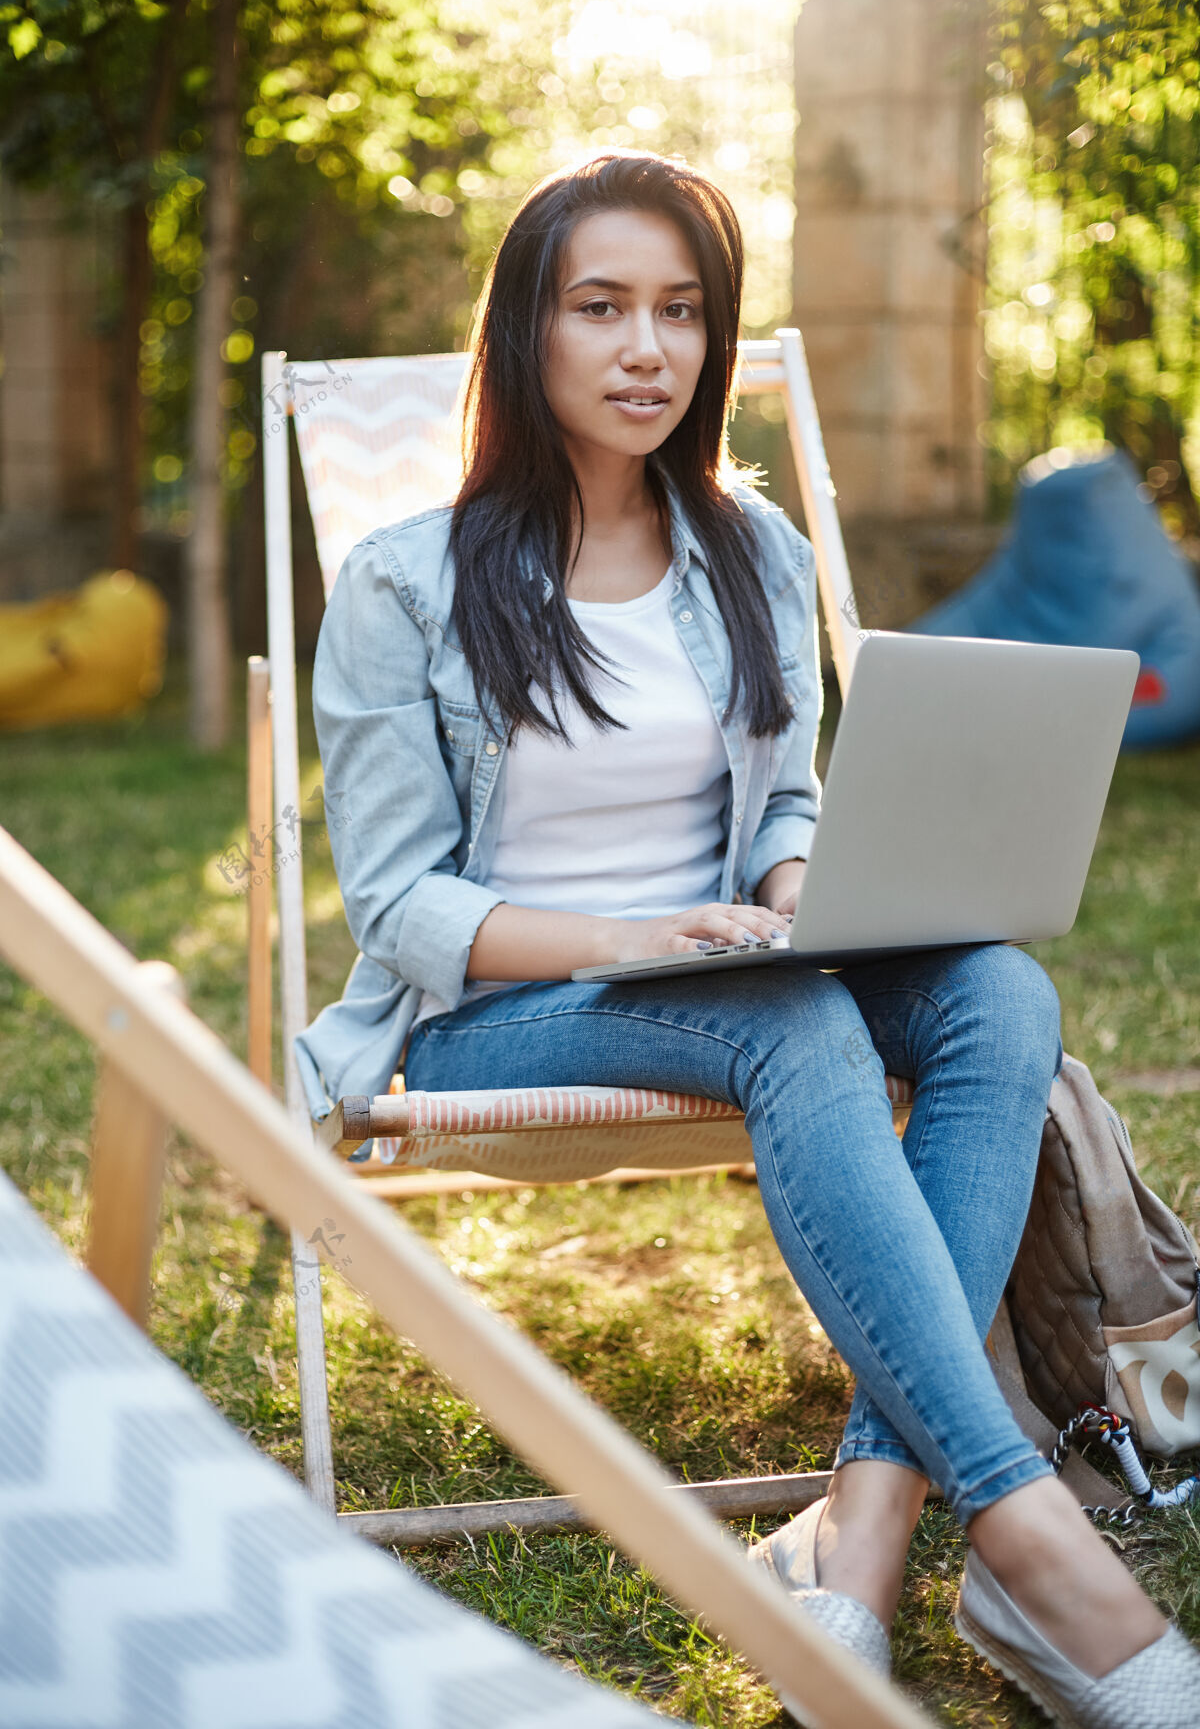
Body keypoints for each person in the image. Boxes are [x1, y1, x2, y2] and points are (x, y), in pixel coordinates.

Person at [297, 152, 1199, 1727]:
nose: (648, 349)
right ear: (528, 332)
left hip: (733, 963)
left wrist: (794, 887)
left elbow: (785, 798)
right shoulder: (404, 582)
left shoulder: (753, 554)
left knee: (995, 988)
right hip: (505, 1002)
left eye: (681, 312)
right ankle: (1031, 1537)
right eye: (602, 308)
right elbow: (399, 904)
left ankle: (864, 1536)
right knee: (793, 1027)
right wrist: (635, 935)